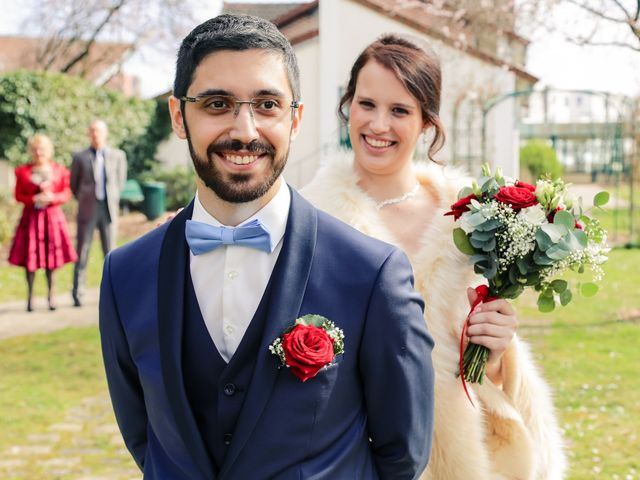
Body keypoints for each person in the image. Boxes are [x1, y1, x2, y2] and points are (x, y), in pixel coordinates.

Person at [99, 14, 435, 480]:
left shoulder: (372, 273)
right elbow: (145, 437)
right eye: (217, 103)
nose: (245, 129)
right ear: (179, 116)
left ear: (294, 118)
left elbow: (403, 455)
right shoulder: (125, 274)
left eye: (266, 104)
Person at [302, 34, 567, 479]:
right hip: (358, 456)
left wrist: (498, 344)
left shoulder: (470, 219)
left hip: (466, 455)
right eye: (366, 104)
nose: (378, 124)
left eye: (400, 110)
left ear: (427, 122)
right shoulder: (311, 219)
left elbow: (483, 362)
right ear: (348, 105)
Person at [8, 133, 77, 312]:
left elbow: (66, 193)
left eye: (42, 149)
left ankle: (51, 296)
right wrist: (33, 198)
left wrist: (52, 197)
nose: (39, 152)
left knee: (51, 257)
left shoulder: (60, 171)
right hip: (31, 218)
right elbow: (18, 195)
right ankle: (30, 298)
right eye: (35, 149)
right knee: (30, 258)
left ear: (48, 150)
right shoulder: (22, 171)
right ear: (31, 151)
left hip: (51, 218)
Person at [70, 119, 127, 307]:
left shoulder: (118, 156)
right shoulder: (79, 157)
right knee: (82, 251)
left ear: (105, 133)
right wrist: (85, 198)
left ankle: (113, 294)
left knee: (110, 252)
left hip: (109, 209)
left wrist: (112, 197)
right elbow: (74, 185)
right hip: (88, 209)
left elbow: (120, 182)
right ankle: (78, 293)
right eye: (93, 131)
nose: (96, 134)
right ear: (89, 134)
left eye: (99, 131)